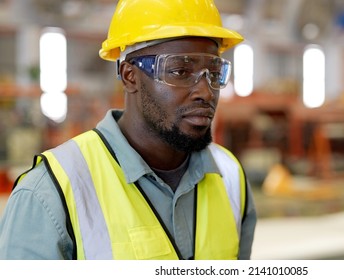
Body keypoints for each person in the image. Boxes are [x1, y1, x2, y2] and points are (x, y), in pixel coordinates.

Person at [0, 0, 256, 260]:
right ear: (129, 75)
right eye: (180, 71)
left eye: (214, 73)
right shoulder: (52, 194)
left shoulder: (230, 177)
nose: (205, 91)